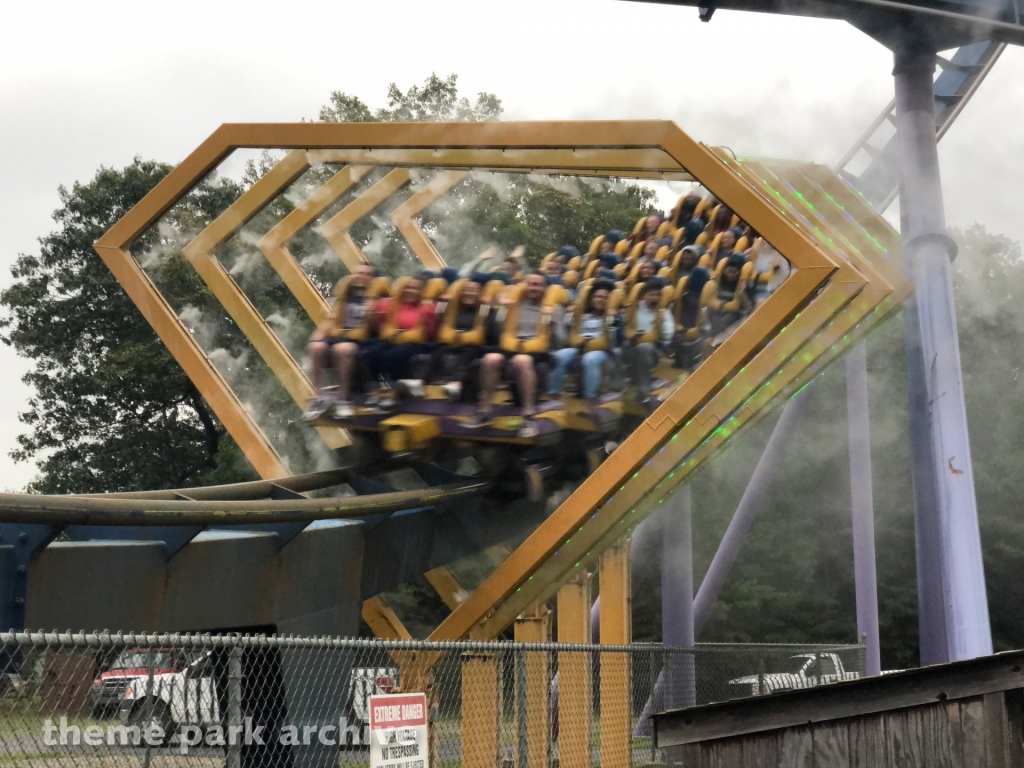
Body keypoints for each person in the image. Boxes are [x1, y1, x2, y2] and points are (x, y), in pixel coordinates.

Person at [475, 273, 564, 437]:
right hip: (512, 346)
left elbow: (560, 342)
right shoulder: (515, 304)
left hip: (539, 352)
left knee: (521, 360)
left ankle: (528, 415)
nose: (533, 288)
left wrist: (552, 321)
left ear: (545, 289)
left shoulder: (553, 308)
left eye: (538, 285)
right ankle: (484, 411)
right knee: (490, 359)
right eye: (531, 284)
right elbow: (498, 329)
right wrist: (501, 307)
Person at [304, 264, 377, 420]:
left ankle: (343, 397)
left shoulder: (375, 298)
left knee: (342, 349)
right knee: (315, 347)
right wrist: (319, 335)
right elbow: (331, 319)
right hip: (339, 335)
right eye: (358, 273)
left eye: (366, 274)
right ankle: (319, 395)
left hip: (361, 339)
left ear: (372, 278)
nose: (361, 276)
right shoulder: (344, 297)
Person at [548, 280, 617, 410]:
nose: (601, 300)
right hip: (580, 347)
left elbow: (612, 339)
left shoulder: (611, 318)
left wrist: (611, 320)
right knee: (559, 356)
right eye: (598, 296)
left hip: (602, 352)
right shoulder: (583, 315)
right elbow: (571, 333)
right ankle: (553, 394)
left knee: (590, 358)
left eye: (605, 298)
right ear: (591, 298)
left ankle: (590, 397)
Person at [372, 274, 438, 399]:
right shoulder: (393, 306)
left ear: (422, 291)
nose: (410, 291)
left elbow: (431, 334)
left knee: (397, 353)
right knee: (373, 352)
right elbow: (380, 328)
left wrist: (429, 319)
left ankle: (394, 389)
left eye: (415, 288)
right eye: (408, 287)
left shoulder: (427, 307)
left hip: (417, 343)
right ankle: (375, 387)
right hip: (393, 339)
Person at [623, 280, 675, 407]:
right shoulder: (634, 308)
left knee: (644, 348)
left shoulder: (664, 311)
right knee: (617, 350)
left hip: (655, 347)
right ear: (644, 296)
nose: (655, 298)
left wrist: (661, 322)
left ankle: (644, 391)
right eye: (652, 294)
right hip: (632, 345)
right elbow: (619, 327)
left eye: (658, 295)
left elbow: (668, 335)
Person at [673, 266, 715, 369]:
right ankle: (685, 360)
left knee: (688, 339)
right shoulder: (686, 295)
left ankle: (687, 360)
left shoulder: (684, 295)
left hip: (691, 328)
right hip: (694, 327)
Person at [711, 254, 752, 333]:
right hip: (715, 312)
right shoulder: (717, 281)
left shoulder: (744, 286)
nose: (731, 274)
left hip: (732, 315)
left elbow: (749, 309)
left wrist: (742, 292)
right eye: (729, 270)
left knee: (727, 319)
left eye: (735, 271)